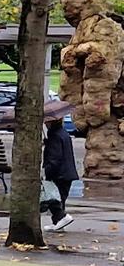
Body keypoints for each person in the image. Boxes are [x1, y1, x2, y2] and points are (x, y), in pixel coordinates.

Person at [43, 99, 78, 232]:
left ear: (51, 122)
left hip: (60, 173)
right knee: (59, 198)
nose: (45, 124)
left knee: (53, 197)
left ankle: (61, 217)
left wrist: (48, 172)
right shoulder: (62, 133)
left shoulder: (55, 136)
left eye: (47, 121)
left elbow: (55, 158)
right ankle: (58, 222)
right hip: (66, 172)